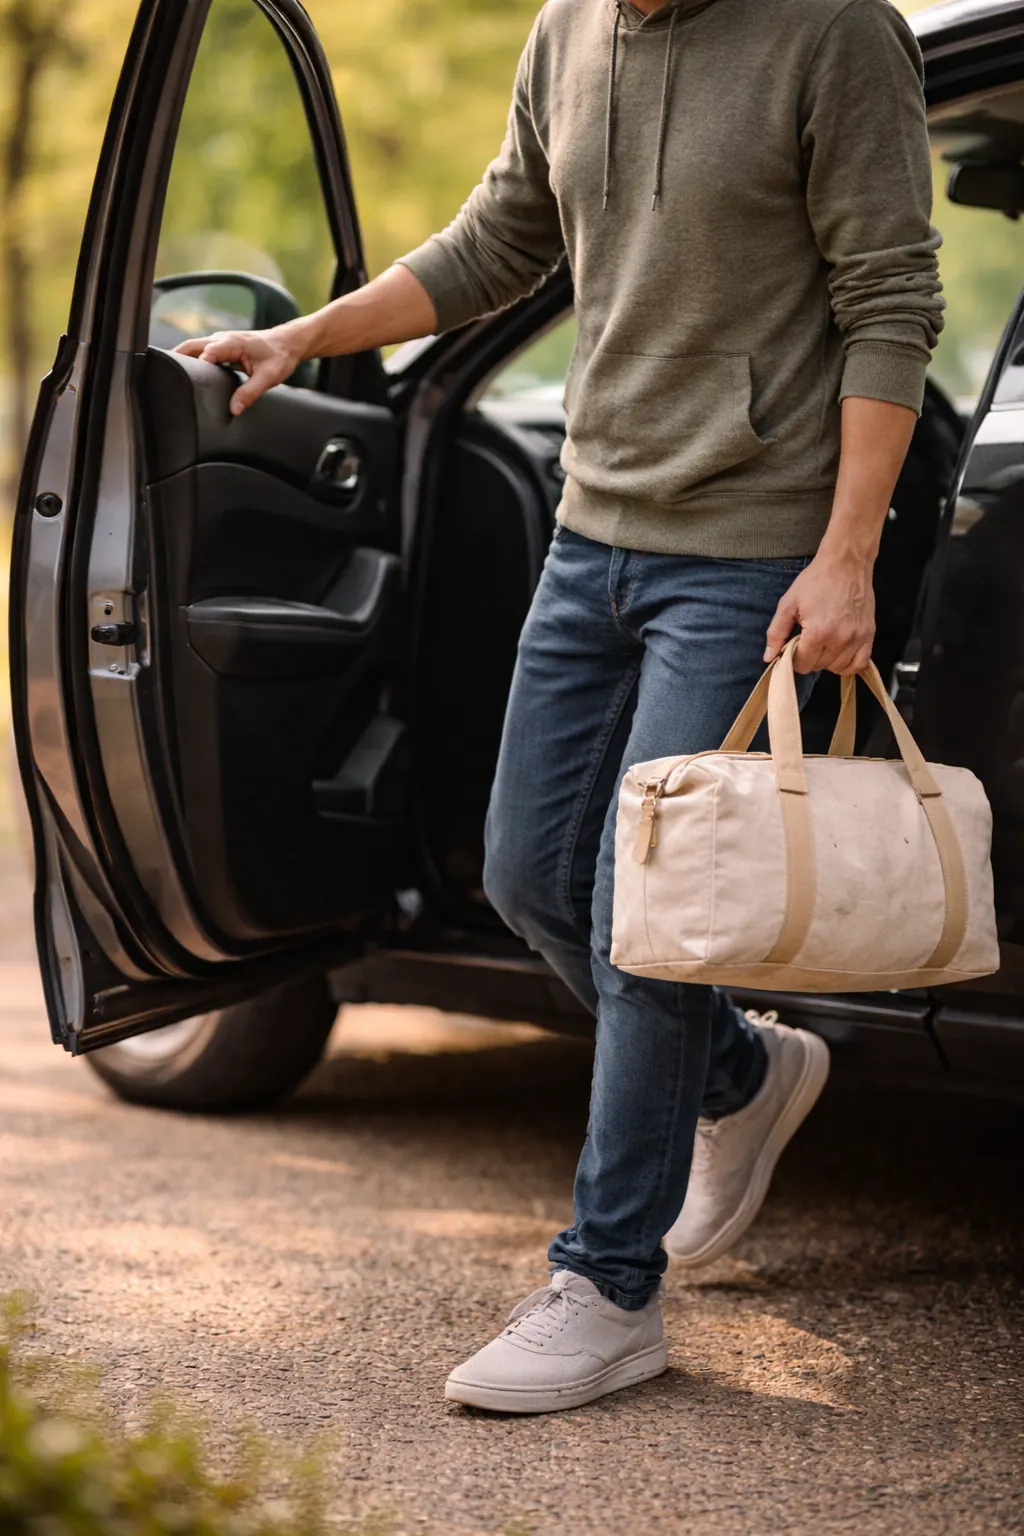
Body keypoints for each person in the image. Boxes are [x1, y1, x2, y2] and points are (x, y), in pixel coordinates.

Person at [177, 0, 943, 1414]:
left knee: (645, 916)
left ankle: (609, 1288)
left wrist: (846, 555)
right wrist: (305, 337)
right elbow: (498, 241)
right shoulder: (568, 30)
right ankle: (741, 1076)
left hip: (747, 550)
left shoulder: (835, 32)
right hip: (591, 535)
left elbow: (891, 300)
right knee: (528, 876)